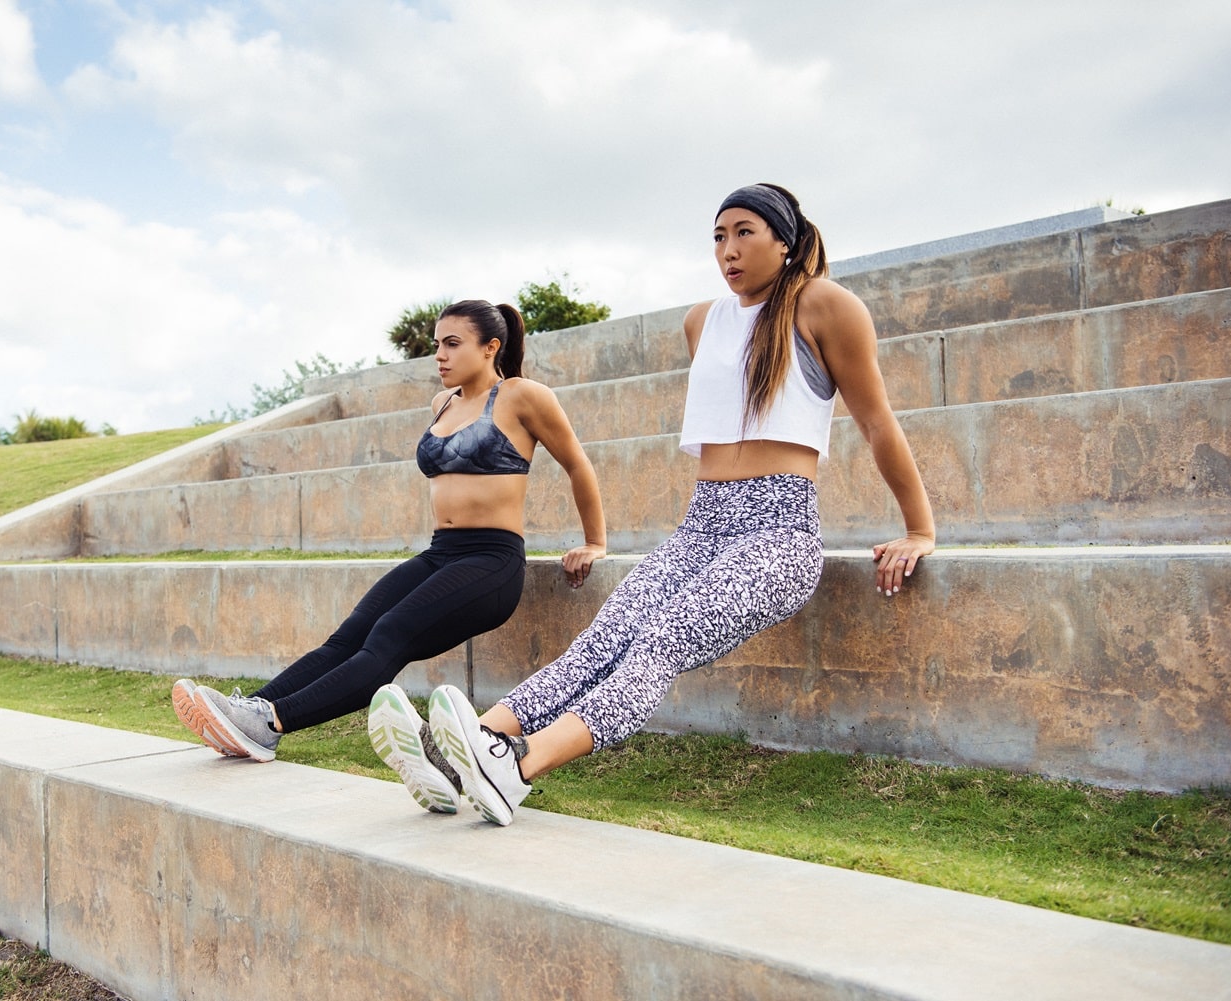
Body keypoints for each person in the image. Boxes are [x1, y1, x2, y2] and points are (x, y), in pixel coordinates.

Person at [374, 183, 936, 825]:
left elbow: (877, 421)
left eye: (744, 232)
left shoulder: (825, 305)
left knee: (658, 644)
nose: (728, 249)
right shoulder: (703, 320)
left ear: (785, 240)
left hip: (778, 533)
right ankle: (460, 752)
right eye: (718, 237)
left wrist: (919, 527)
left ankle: (513, 767)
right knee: (600, 642)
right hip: (702, 524)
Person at [172, 299, 608, 811]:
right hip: (441, 553)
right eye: (436, 344)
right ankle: (254, 710)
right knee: (347, 637)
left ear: (491, 347)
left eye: (452, 343)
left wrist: (595, 541)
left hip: (491, 562)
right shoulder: (441, 404)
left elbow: (577, 464)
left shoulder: (521, 397)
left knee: (388, 637)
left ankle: (272, 723)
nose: (439, 355)